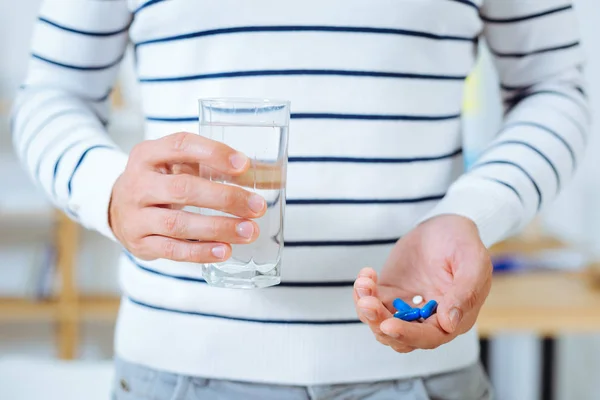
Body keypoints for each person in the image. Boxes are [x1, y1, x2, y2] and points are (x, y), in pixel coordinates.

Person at [12, 0, 588, 399]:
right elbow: (51, 95)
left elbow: (553, 86)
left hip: (418, 372)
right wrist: (109, 191)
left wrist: (475, 211)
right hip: (177, 370)